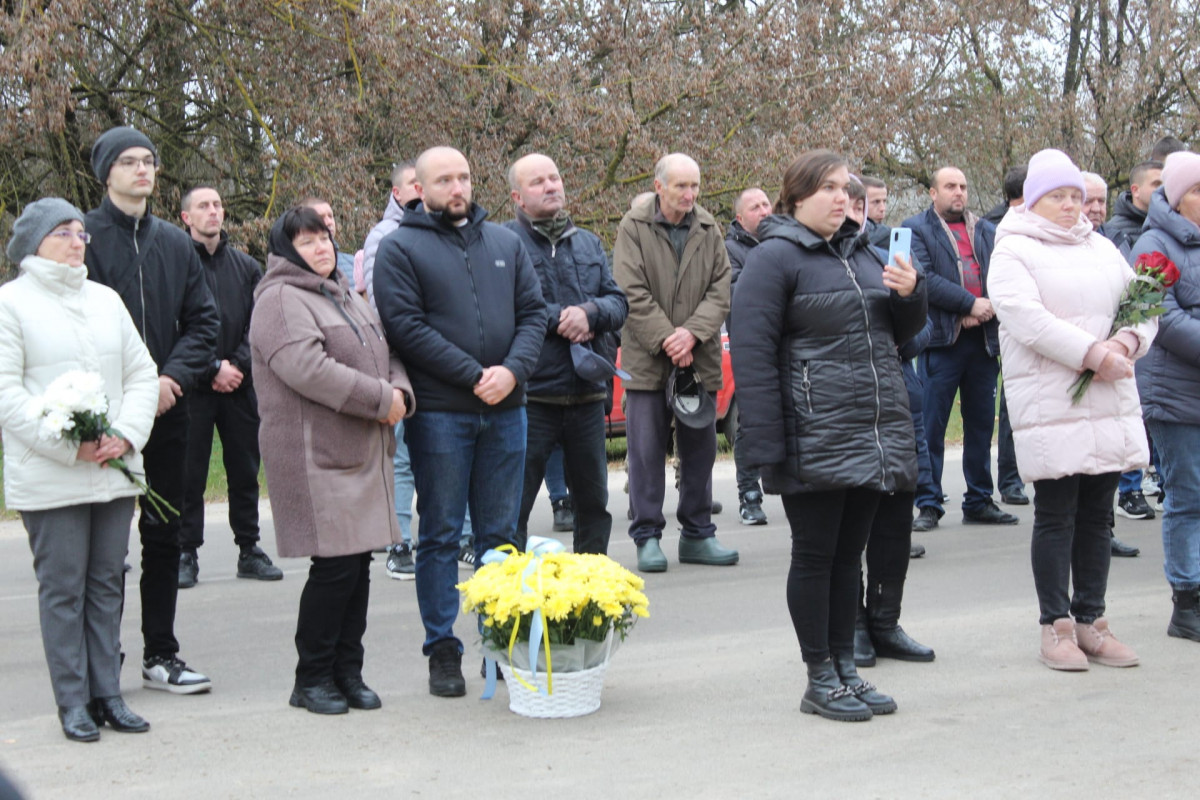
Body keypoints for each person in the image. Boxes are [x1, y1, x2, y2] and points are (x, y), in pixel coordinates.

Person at [732, 149, 926, 721]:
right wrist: (766, 448)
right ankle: (819, 674)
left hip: (871, 431)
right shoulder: (774, 259)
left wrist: (909, 295)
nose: (843, 198)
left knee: (850, 561)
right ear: (795, 197)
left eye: (847, 189)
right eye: (829, 189)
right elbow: (753, 356)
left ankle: (846, 668)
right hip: (812, 434)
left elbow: (904, 337)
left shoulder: (864, 253)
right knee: (816, 557)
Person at [373, 146, 546, 698]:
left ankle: (497, 646)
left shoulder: (505, 243)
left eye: (464, 176)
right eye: (444, 179)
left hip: (507, 412)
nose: (457, 187)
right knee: (443, 534)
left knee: (500, 538)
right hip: (443, 415)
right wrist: (475, 374)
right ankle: (442, 650)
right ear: (418, 188)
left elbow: (534, 314)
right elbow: (405, 326)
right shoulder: (401, 248)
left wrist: (512, 373)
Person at [989, 149, 1155, 671]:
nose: (1068, 206)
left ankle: (1092, 621)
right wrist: (1091, 354)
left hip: (1107, 395)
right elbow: (1026, 319)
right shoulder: (1012, 249)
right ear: (1033, 199)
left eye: (1075, 197)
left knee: (1098, 517)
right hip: (1053, 399)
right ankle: (1055, 626)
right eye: (1056, 197)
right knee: (1057, 514)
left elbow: (1143, 302)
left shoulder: (1102, 247)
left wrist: (1128, 342)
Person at [0, 198, 160, 741]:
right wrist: (71, 445)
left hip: (113, 469)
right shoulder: (11, 304)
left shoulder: (106, 300)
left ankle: (108, 695)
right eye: (63, 233)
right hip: (52, 476)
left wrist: (126, 435)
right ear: (34, 243)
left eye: (80, 233)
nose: (76, 241)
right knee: (63, 589)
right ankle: (73, 701)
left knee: (106, 585)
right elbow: (8, 396)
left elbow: (142, 373)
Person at [249, 206, 414, 714]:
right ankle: (312, 676)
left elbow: (386, 351)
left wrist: (401, 392)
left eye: (324, 239)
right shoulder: (279, 300)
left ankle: (348, 671)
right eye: (307, 242)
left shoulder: (345, 293)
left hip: (361, 448)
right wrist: (379, 399)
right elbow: (308, 368)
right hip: (314, 454)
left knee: (356, 565)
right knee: (336, 568)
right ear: (284, 251)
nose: (321, 249)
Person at [84, 126, 219, 695]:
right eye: (130, 162)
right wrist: (123, 395)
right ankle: (100, 661)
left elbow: (203, 322)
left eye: (150, 162)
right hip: (105, 420)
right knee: (106, 550)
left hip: (169, 414)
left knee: (164, 536)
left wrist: (170, 378)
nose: (143, 170)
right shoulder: (82, 238)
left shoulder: (174, 243)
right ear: (106, 173)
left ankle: (160, 653)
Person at [613, 153, 736, 573]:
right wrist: (669, 337)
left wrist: (692, 333)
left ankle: (698, 534)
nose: (689, 194)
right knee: (646, 452)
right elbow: (630, 289)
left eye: (695, 186)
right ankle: (647, 536)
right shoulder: (633, 227)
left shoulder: (709, 227)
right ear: (658, 185)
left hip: (697, 358)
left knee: (700, 451)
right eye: (681, 186)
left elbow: (722, 287)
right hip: (648, 359)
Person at [504, 153, 628, 555]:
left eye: (555, 177)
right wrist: (562, 317)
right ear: (517, 197)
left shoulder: (588, 241)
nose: (551, 186)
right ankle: (508, 604)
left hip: (587, 397)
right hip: (530, 398)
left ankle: (591, 600)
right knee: (512, 508)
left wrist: (590, 313)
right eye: (538, 182)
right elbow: (504, 306)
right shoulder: (503, 243)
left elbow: (618, 303)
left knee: (593, 506)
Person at [176, 186, 281, 586]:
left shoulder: (246, 267)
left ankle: (249, 549)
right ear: (186, 217)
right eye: (203, 206)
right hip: (194, 387)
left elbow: (260, 324)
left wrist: (235, 365)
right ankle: (186, 553)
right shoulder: (177, 265)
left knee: (244, 470)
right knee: (190, 473)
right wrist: (209, 368)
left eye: (218, 204)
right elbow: (174, 326)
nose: (213, 211)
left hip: (240, 385)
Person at [903, 166, 1017, 527]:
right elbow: (924, 280)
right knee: (932, 427)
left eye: (963, 186)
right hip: (941, 342)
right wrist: (969, 305)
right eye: (950, 186)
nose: (959, 192)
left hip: (983, 341)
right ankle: (929, 503)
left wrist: (987, 308)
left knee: (982, 425)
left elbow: (1002, 275)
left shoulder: (986, 230)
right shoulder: (914, 229)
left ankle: (979, 500)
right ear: (933, 193)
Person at [1130, 150, 1200, 642]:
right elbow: (1161, 317)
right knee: (1186, 496)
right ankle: (1187, 600)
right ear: (1176, 198)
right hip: (1174, 393)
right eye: (1197, 190)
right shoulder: (1152, 245)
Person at [360, 160, 423, 580]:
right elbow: (382, 304)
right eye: (413, 184)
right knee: (400, 456)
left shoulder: (448, 230)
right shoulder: (384, 236)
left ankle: (467, 538)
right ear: (396, 193)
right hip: (402, 360)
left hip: (444, 363)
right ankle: (398, 541)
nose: (421, 190)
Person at [1084, 170, 1150, 556]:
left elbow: (1135, 300)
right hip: (1079, 363)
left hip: (1114, 361)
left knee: (1106, 458)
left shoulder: (1113, 240)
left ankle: (1103, 530)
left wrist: (1125, 339)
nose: (1094, 208)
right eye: (1086, 200)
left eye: (1099, 201)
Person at [725, 187, 772, 526]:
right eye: (755, 207)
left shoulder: (786, 243)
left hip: (785, 344)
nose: (764, 210)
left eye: (767, 204)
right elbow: (739, 294)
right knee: (751, 422)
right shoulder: (728, 250)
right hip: (751, 346)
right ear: (741, 218)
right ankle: (749, 496)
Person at [1104, 160, 1162, 250]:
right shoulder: (1113, 233)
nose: (1163, 189)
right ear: (1135, 191)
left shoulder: (1172, 225)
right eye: (1157, 184)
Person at [301, 197, 358, 289]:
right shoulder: (300, 267)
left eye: (330, 216)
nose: (329, 222)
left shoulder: (353, 262)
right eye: (321, 217)